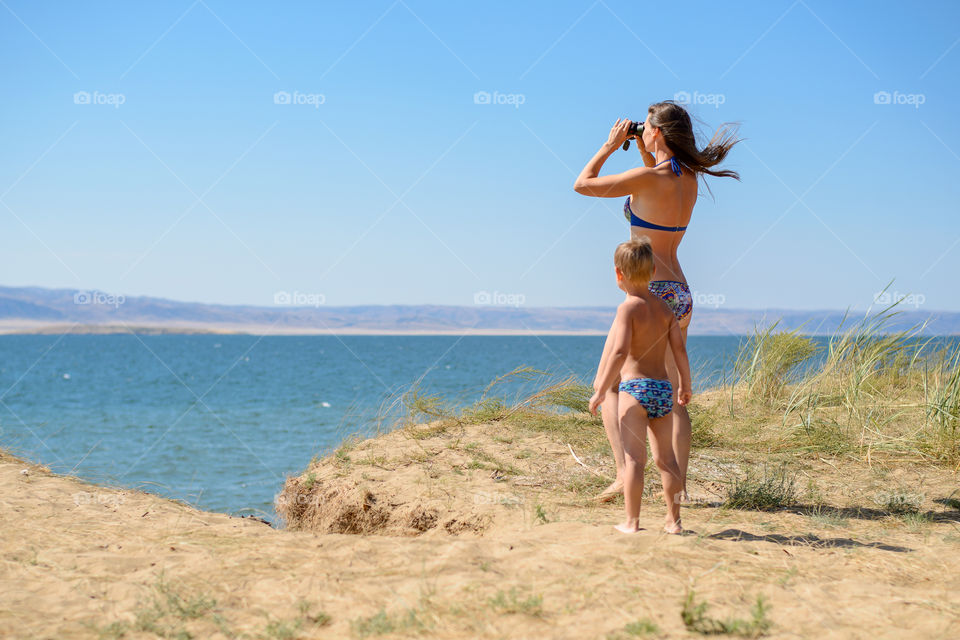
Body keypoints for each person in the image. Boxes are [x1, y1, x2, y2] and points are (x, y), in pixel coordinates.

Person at [574, 101, 741, 501]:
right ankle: (677, 486)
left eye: (646, 127)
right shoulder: (689, 179)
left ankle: (622, 475)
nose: (641, 131)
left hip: (652, 290)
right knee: (673, 393)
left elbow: (582, 184)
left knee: (613, 382)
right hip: (681, 291)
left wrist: (610, 144)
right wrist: (645, 145)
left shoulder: (645, 178)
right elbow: (655, 176)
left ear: (658, 133)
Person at [588, 238, 692, 534]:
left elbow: (619, 352)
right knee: (666, 460)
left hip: (634, 391)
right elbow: (680, 351)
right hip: (662, 390)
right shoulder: (664, 310)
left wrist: (600, 390)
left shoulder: (627, 309)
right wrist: (684, 384)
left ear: (618, 274)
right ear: (654, 269)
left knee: (635, 460)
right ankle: (674, 521)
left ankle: (632, 522)